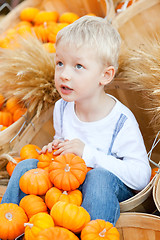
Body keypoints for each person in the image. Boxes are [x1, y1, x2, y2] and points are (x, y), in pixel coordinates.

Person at [1, 16, 151, 226]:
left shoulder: (120, 121)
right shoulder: (62, 108)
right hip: (69, 185)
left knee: (97, 178)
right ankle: (9, 226)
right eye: (60, 63)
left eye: (78, 66)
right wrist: (57, 147)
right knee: (26, 166)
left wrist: (88, 154)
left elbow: (141, 176)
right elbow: (63, 141)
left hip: (107, 189)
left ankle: (91, 232)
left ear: (105, 76)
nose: (64, 74)